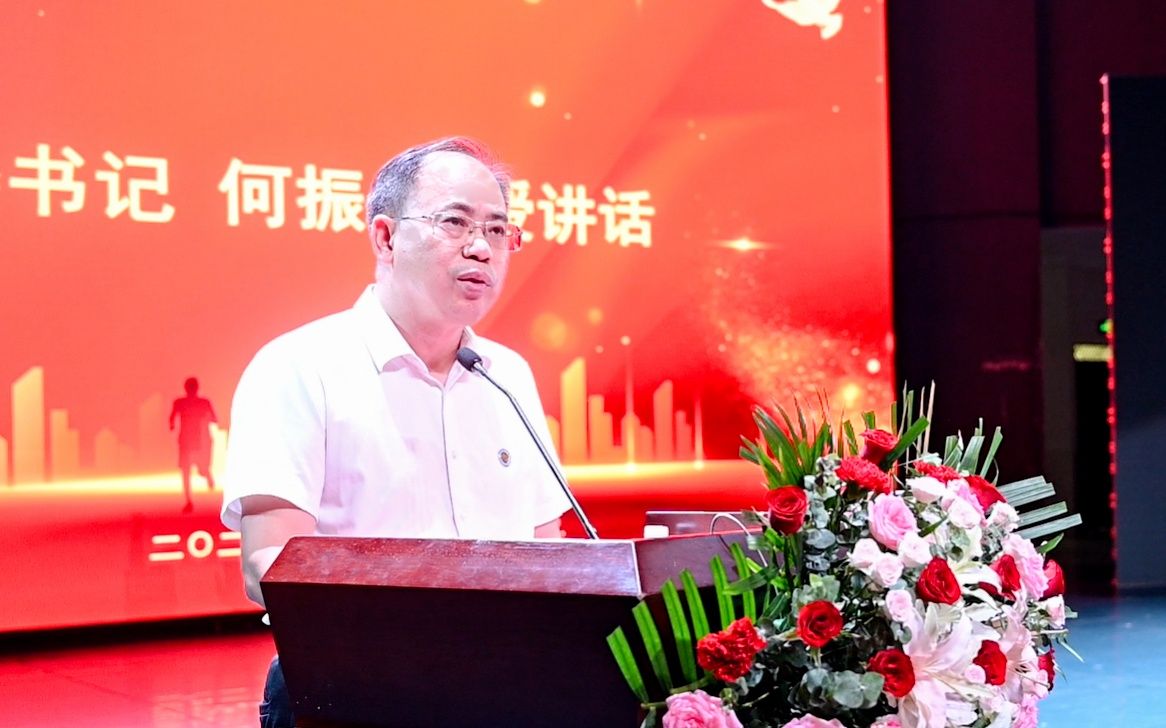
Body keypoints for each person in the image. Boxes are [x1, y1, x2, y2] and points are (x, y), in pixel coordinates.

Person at [219, 137, 570, 728]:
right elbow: (267, 563)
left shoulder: (507, 375)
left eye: (497, 229)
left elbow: (547, 549)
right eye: (455, 222)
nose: (481, 248)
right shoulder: (300, 365)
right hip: (353, 688)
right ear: (385, 237)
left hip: (507, 686)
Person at [169, 376, 218, 513]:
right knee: (187, 470)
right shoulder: (197, 402)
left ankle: (205, 475)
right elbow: (214, 419)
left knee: (193, 470)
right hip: (190, 440)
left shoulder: (191, 403)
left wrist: (172, 425)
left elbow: (172, 418)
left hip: (196, 440)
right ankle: (188, 500)